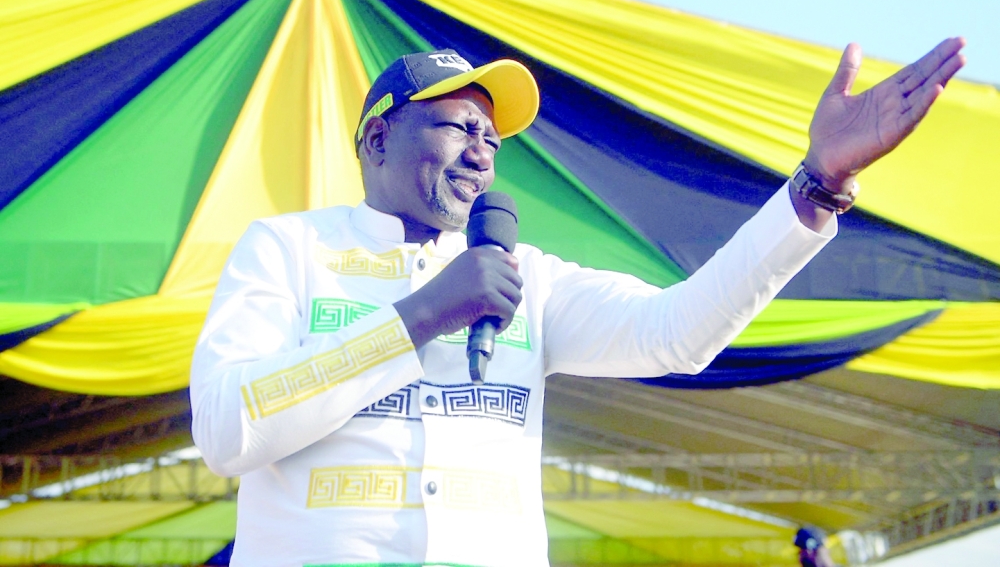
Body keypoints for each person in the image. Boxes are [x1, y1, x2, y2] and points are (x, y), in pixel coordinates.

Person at [190, 41, 965, 567]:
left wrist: (816, 186)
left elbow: (677, 333)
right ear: (378, 138)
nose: (482, 149)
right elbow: (228, 430)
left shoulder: (530, 278)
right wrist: (419, 317)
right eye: (461, 125)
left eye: (493, 138)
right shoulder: (287, 250)